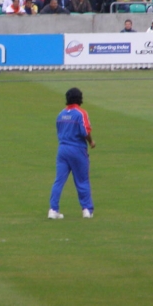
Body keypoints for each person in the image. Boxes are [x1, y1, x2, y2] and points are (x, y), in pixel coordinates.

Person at [48, 87, 95, 220]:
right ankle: (86, 209)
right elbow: (85, 131)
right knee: (82, 180)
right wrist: (91, 142)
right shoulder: (80, 113)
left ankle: (53, 209)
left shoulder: (61, 114)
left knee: (59, 181)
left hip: (62, 149)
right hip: (77, 149)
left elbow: (59, 131)